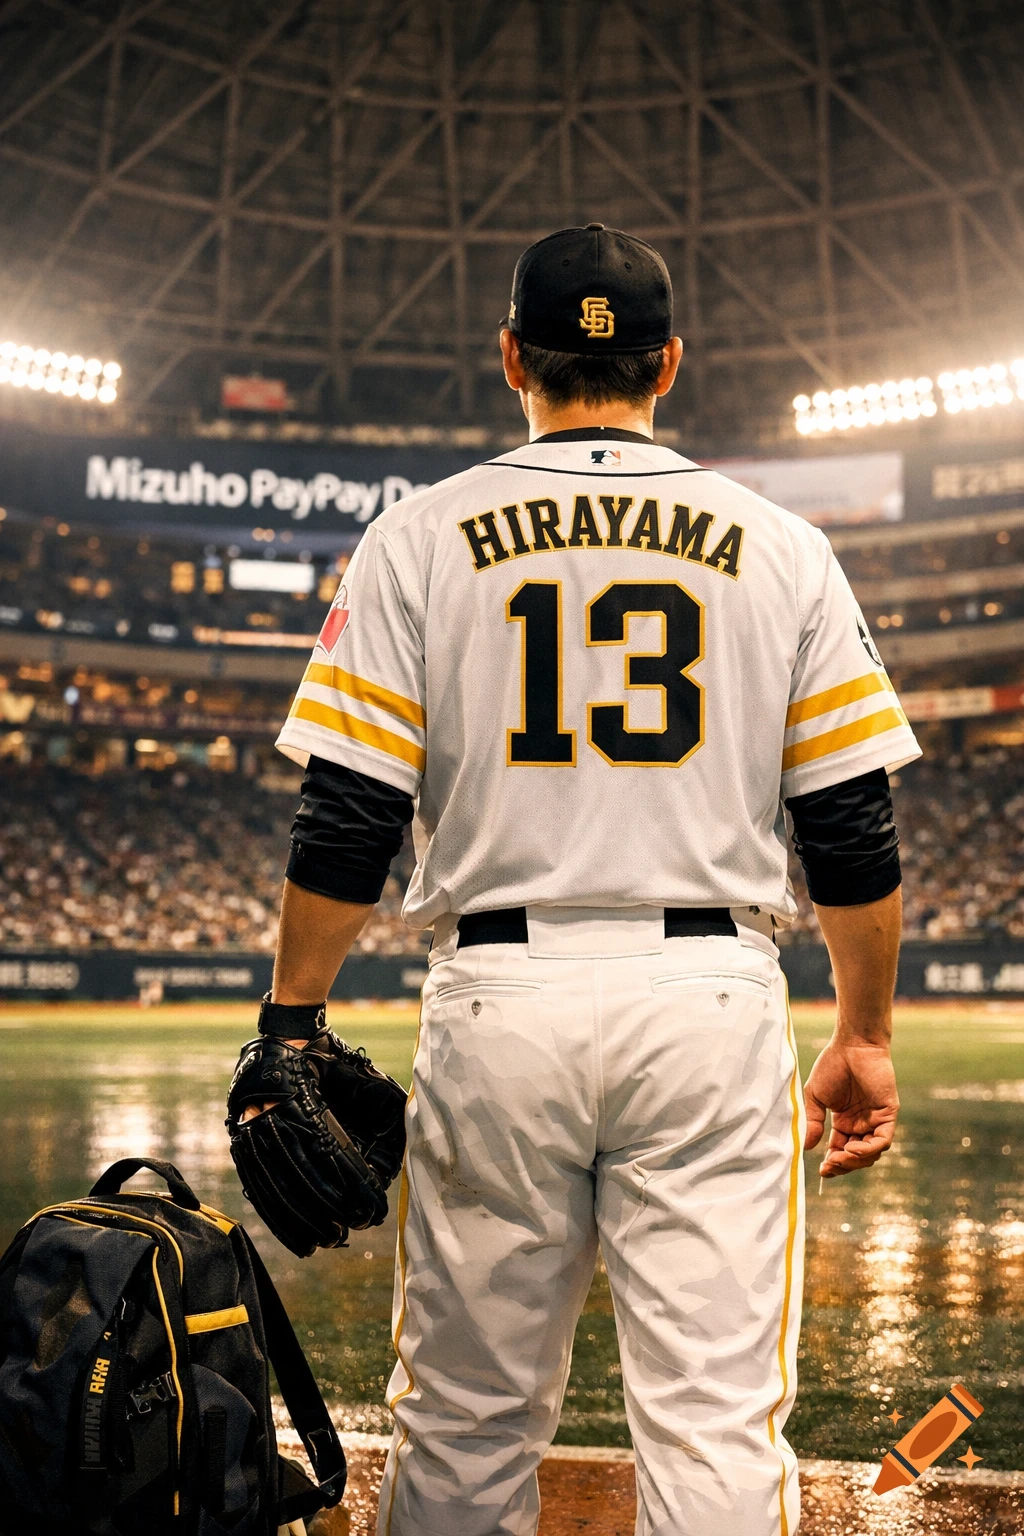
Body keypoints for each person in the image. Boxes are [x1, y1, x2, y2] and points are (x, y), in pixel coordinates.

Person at [265, 224, 920, 1536]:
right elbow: (849, 824)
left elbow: (347, 817)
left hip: (499, 1004)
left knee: (460, 1415)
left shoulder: (417, 536)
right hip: (707, 1002)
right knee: (716, 1417)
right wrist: (863, 1034)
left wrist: (292, 1019)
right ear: (669, 364)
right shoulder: (782, 543)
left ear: (512, 355)